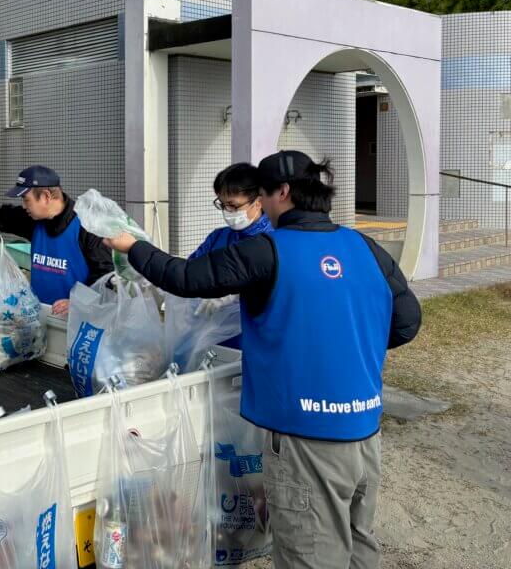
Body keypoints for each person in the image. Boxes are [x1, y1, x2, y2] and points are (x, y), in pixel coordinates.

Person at [106, 150, 421, 569]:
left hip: (307, 438)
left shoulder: (269, 250)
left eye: (263, 195)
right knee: (357, 541)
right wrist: (347, 349)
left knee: (311, 553)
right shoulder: (365, 247)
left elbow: (186, 278)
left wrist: (134, 247)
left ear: (282, 193)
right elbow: (406, 323)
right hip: (365, 433)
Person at [0, 165, 113, 316]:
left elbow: (106, 276)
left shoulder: (87, 226)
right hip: (41, 316)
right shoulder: (35, 221)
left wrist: (78, 303)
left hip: (78, 319)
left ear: (46, 196)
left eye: (27, 200)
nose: (24, 206)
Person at [190, 162, 274, 350]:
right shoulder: (218, 237)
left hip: (258, 344)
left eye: (233, 206)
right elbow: (189, 271)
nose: (227, 212)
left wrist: (233, 296)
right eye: (223, 205)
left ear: (258, 201)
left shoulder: (275, 241)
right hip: (215, 341)